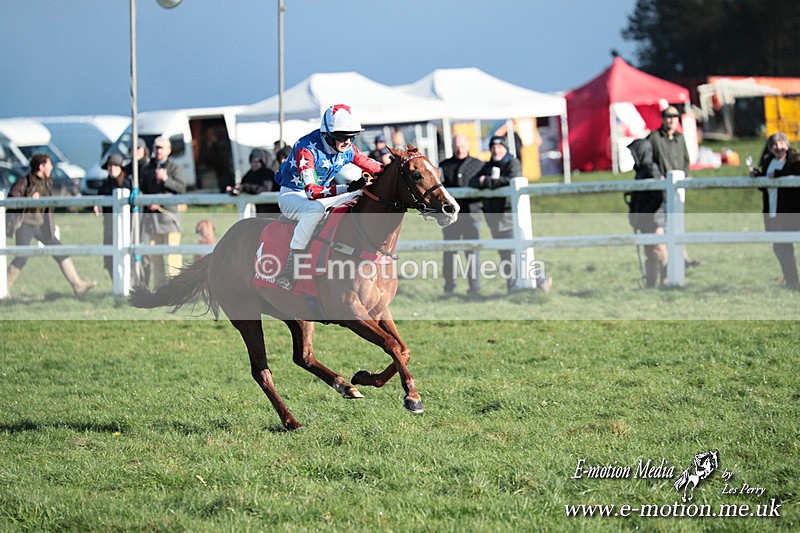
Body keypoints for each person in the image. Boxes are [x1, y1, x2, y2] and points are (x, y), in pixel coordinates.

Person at [273, 104, 383, 291]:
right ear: (328, 134)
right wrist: (346, 187)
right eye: (342, 137)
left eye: (351, 137)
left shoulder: (348, 149)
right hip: (293, 195)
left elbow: (377, 168)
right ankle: (291, 267)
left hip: (321, 194)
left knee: (360, 196)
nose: (347, 142)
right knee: (315, 209)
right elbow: (312, 193)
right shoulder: (306, 149)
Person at [5, 153, 97, 296]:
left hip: (42, 225)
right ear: (41, 166)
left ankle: (77, 285)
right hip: (25, 224)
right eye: (49, 164)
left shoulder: (47, 181)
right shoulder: (24, 181)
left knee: (59, 251)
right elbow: (12, 198)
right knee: (22, 257)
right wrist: (28, 199)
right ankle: (3, 289)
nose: (52, 167)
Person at [470, 136, 552, 293]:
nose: (496, 150)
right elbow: (473, 182)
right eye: (493, 147)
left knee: (518, 253)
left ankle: (541, 279)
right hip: (493, 218)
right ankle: (512, 287)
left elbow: (512, 180)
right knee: (505, 255)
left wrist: (486, 182)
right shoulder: (487, 166)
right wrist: (487, 181)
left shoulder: (512, 163)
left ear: (505, 148)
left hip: (508, 216)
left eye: (499, 147)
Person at [647, 105, 700, 271]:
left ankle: (681, 258)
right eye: (668, 117)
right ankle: (668, 263)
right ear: (663, 119)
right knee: (661, 226)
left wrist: (685, 179)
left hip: (677, 189)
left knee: (676, 224)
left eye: (674, 117)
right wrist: (658, 176)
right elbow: (648, 161)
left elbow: (685, 161)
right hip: (659, 191)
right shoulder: (654, 138)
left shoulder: (680, 138)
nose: (671, 120)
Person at [750, 132, 800, 289]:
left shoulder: (794, 159)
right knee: (779, 247)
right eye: (774, 145)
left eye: (781, 143)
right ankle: (791, 280)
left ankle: (792, 280)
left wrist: (778, 175)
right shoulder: (768, 162)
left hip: (791, 212)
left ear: (787, 145)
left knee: (785, 244)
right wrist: (757, 175)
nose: (778, 147)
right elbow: (764, 185)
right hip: (772, 211)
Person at [439, 134, 483, 295]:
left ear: (468, 146)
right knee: (450, 252)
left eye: (462, 146)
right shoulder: (444, 166)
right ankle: (449, 288)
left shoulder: (478, 165)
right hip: (451, 218)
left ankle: (475, 288)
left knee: (472, 253)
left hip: (472, 216)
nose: (460, 149)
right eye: (457, 146)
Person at [140, 135, 185, 287]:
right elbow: (142, 189)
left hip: (169, 218)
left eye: (161, 148)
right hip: (152, 219)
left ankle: (176, 287)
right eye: (156, 147)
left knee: (173, 254)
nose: (158, 150)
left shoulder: (174, 168)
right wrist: (147, 202)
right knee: (155, 255)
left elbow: (181, 188)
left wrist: (166, 180)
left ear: (169, 150)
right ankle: (159, 288)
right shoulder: (147, 168)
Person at [627, 138, 667, 288]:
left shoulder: (651, 170)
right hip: (646, 218)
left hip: (654, 218)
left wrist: (644, 211)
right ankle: (651, 282)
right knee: (649, 251)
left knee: (659, 247)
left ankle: (665, 279)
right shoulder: (641, 171)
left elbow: (658, 195)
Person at [93, 153, 132, 280]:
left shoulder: (128, 183)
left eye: (115, 165)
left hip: (127, 226)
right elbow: (98, 201)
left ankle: (128, 285)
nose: (112, 168)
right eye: (110, 166)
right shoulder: (104, 185)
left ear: (121, 168)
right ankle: (116, 285)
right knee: (109, 259)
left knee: (127, 257)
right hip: (109, 226)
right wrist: (97, 206)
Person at [226, 148, 279, 215]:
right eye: (251, 162)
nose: (253, 164)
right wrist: (233, 190)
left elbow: (264, 189)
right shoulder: (250, 174)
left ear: (262, 161)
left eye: (256, 162)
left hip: (274, 212)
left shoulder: (269, 174)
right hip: (261, 213)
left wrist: (244, 187)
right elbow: (242, 186)